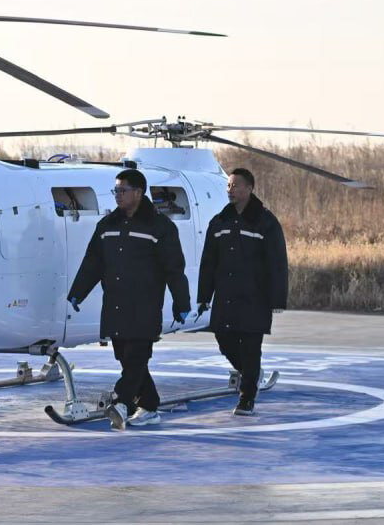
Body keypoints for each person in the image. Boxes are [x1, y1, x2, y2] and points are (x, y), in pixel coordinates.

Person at [67, 169, 190, 429]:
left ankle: (121, 402)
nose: (118, 196)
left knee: (136, 357)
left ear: (138, 192)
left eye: (122, 191)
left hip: (144, 306)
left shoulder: (161, 227)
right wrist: (78, 291)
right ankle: (149, 406)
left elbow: (174, 269)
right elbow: (93, 262)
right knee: (126, 358)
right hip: (115, 304)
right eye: (116, 191)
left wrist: (182, 303)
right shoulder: (107, 225)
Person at [196, 167, 288, 416]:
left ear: (249, 188)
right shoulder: (220, 221)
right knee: (224, 341)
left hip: (254, 298)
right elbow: (208, 262)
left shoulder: (265, 222)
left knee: (250, 346)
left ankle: (247, 398)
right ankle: (252, 374)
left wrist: (277, 298)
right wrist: (204, 296)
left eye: (235, 186)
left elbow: (277, 262)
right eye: (228, 186)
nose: (230, 190)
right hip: (225, 296)